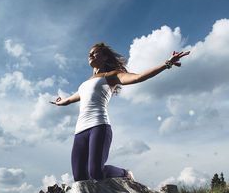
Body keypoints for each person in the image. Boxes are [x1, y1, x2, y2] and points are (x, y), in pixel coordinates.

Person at [50, 42, 190, 182]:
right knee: (79, 177)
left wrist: (167, 64)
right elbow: (69, 100)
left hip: (98, 126)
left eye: (95, 52)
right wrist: (59, 102)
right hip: (80, 131)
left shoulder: (111, 76)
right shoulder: (84, 85)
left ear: (105, 57)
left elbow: (138, 77)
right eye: (89, 53)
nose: (90, 55)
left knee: (95, 172)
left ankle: (125, 173)